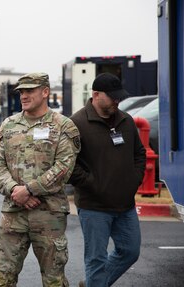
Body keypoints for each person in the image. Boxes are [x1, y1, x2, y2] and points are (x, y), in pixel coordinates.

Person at [0, 73, 81, 287]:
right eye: (21, 91)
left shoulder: (63, 126)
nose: (24, 95)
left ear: (45, 92)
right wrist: (16, 191)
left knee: (54, 281)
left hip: (49, 215)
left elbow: (64, 168)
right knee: (3, 279)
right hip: (13, 214)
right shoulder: (8, 125)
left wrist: (29, 190)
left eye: (30, 90)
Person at [69, 73, 146, 287]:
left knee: (130, 251)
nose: (117, 101)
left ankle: (95, 284)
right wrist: (94, 185)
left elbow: (139, 153)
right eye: (112, 97)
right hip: (94, 206)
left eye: (118, 97)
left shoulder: (126, 120)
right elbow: (69, 165)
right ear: (95, 95)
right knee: (96, 259)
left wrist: (134, 179)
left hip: (125, 205)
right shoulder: (76, 123)